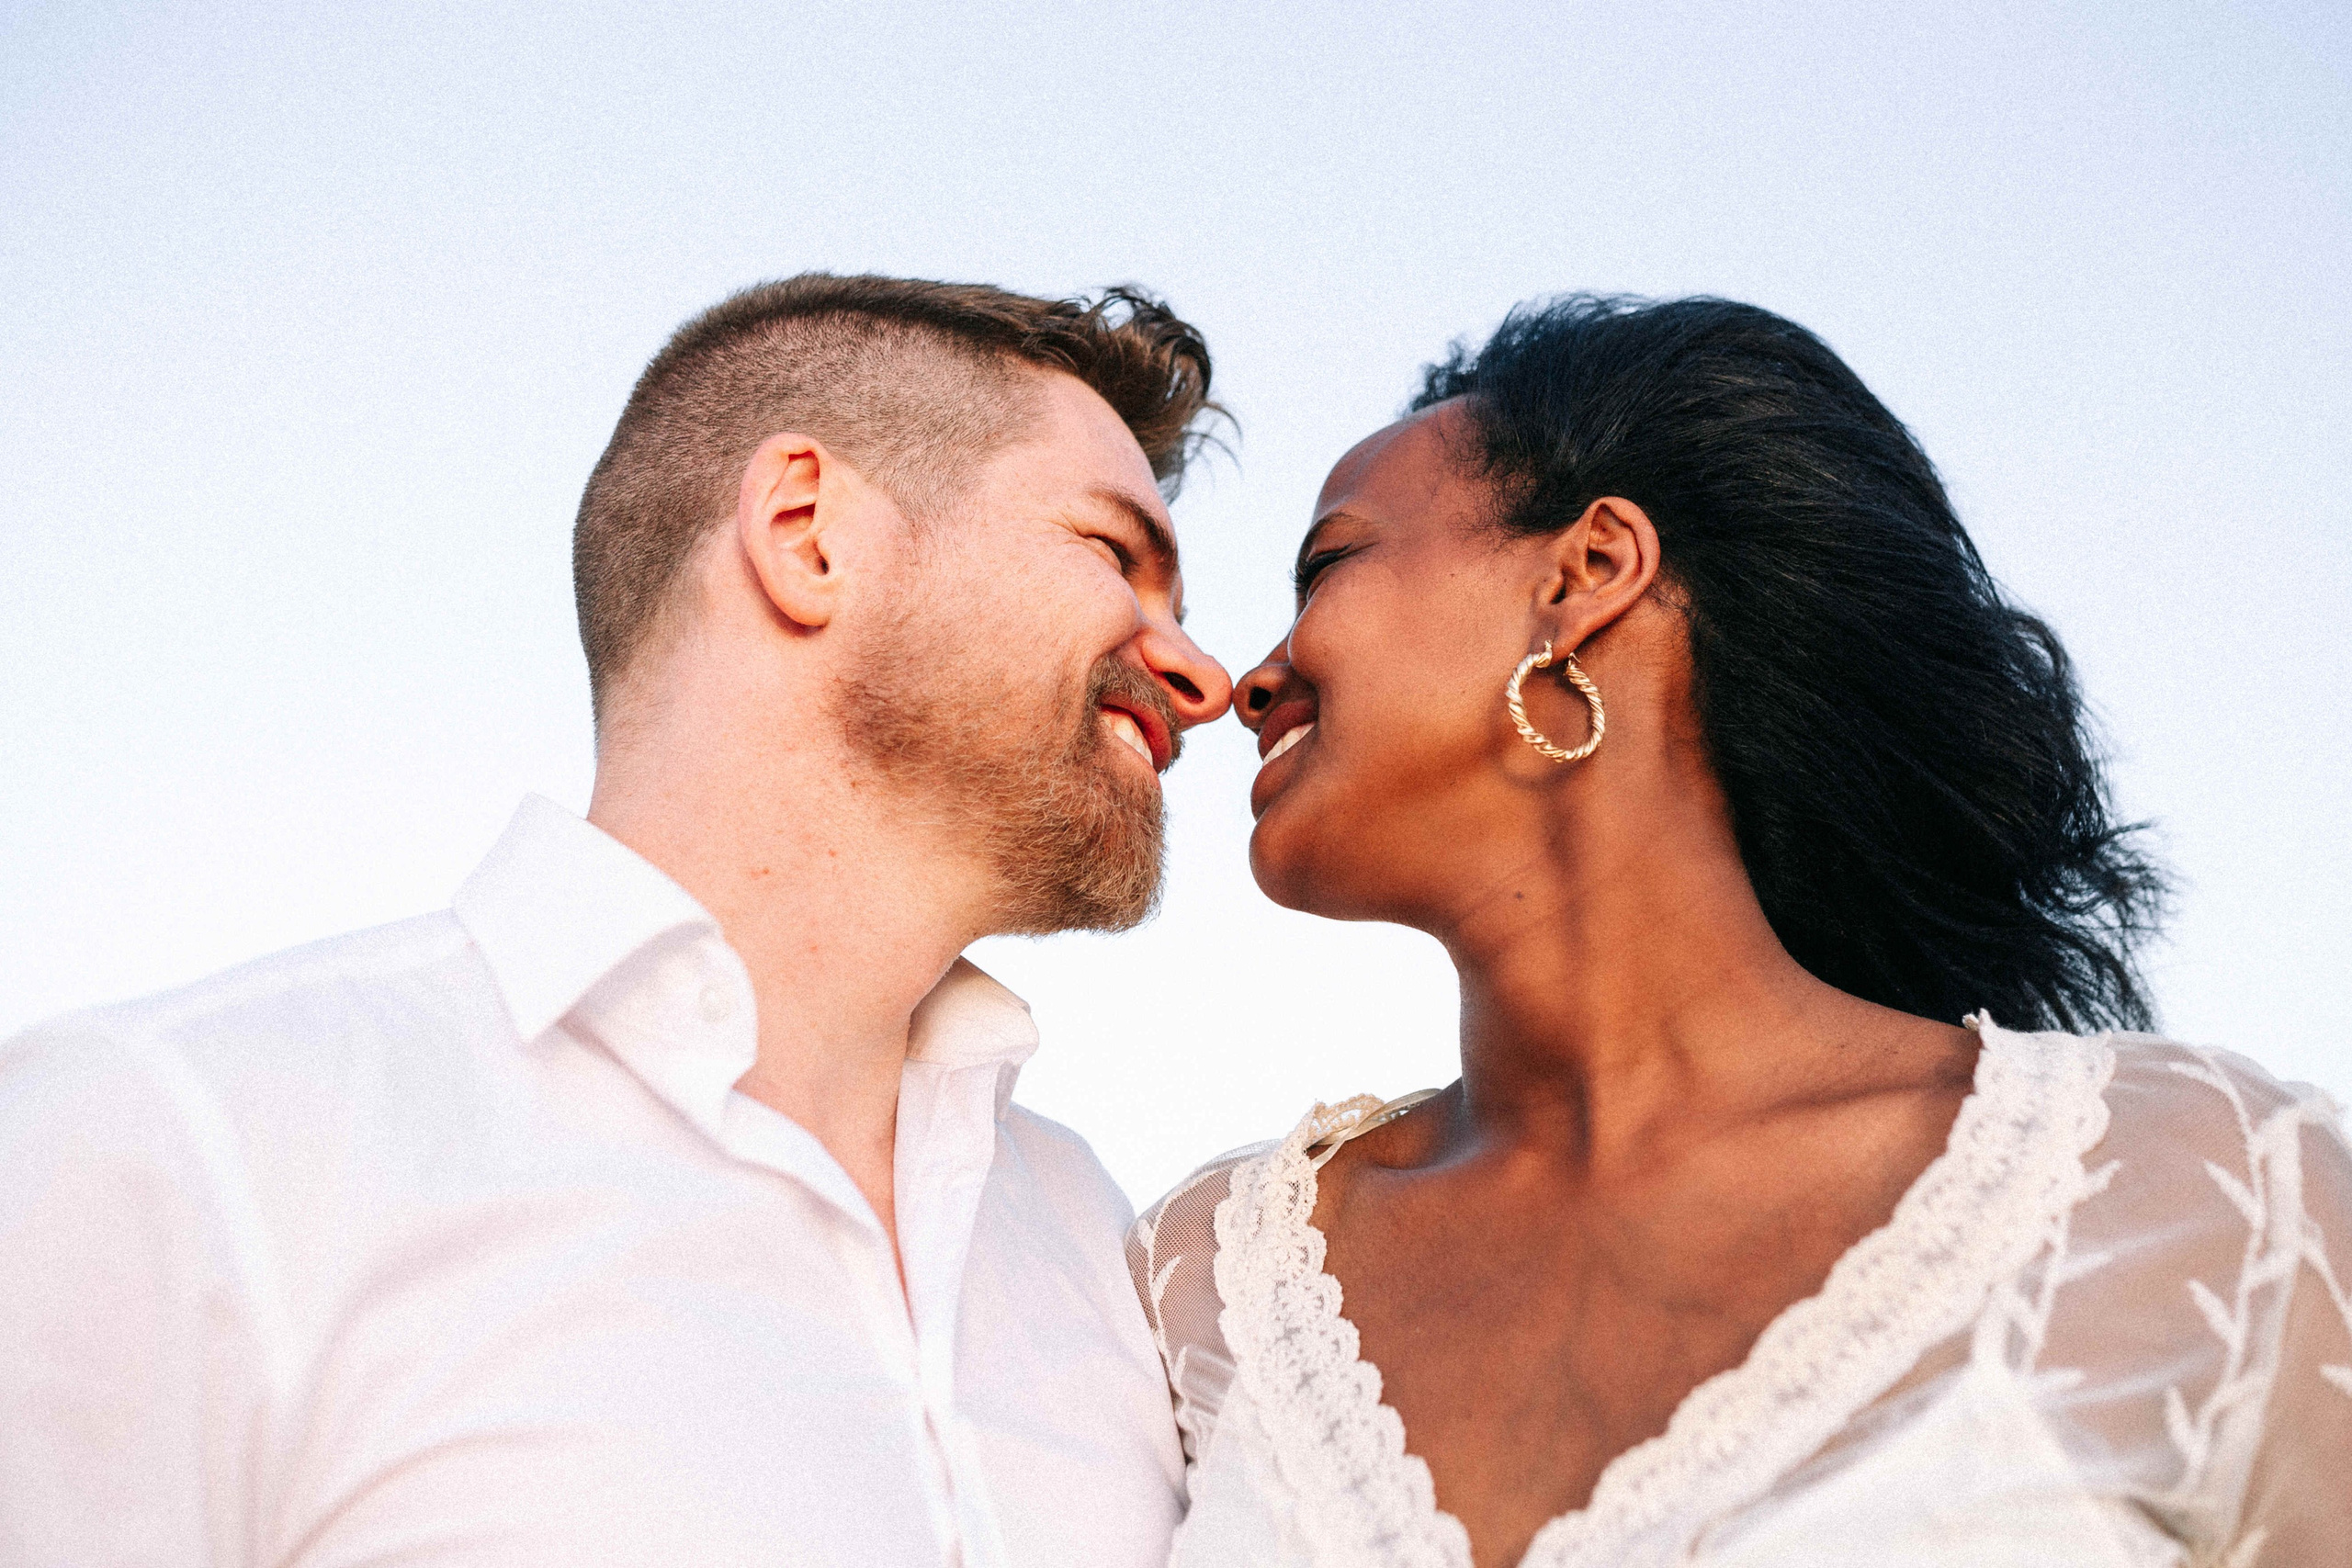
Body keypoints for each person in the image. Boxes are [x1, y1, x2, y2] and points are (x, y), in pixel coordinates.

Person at [0, 274, 1235, 1567]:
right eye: (1115, 554)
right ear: (807, 534)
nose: (1201, 676)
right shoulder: (169, 1149)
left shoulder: (1109, 1254)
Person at [1129, 295, 2352, 1566]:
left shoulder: (2202, 1193)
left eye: (1327, 567)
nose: (1248, 680)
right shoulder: (1209, 1285)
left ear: (1589, 574)